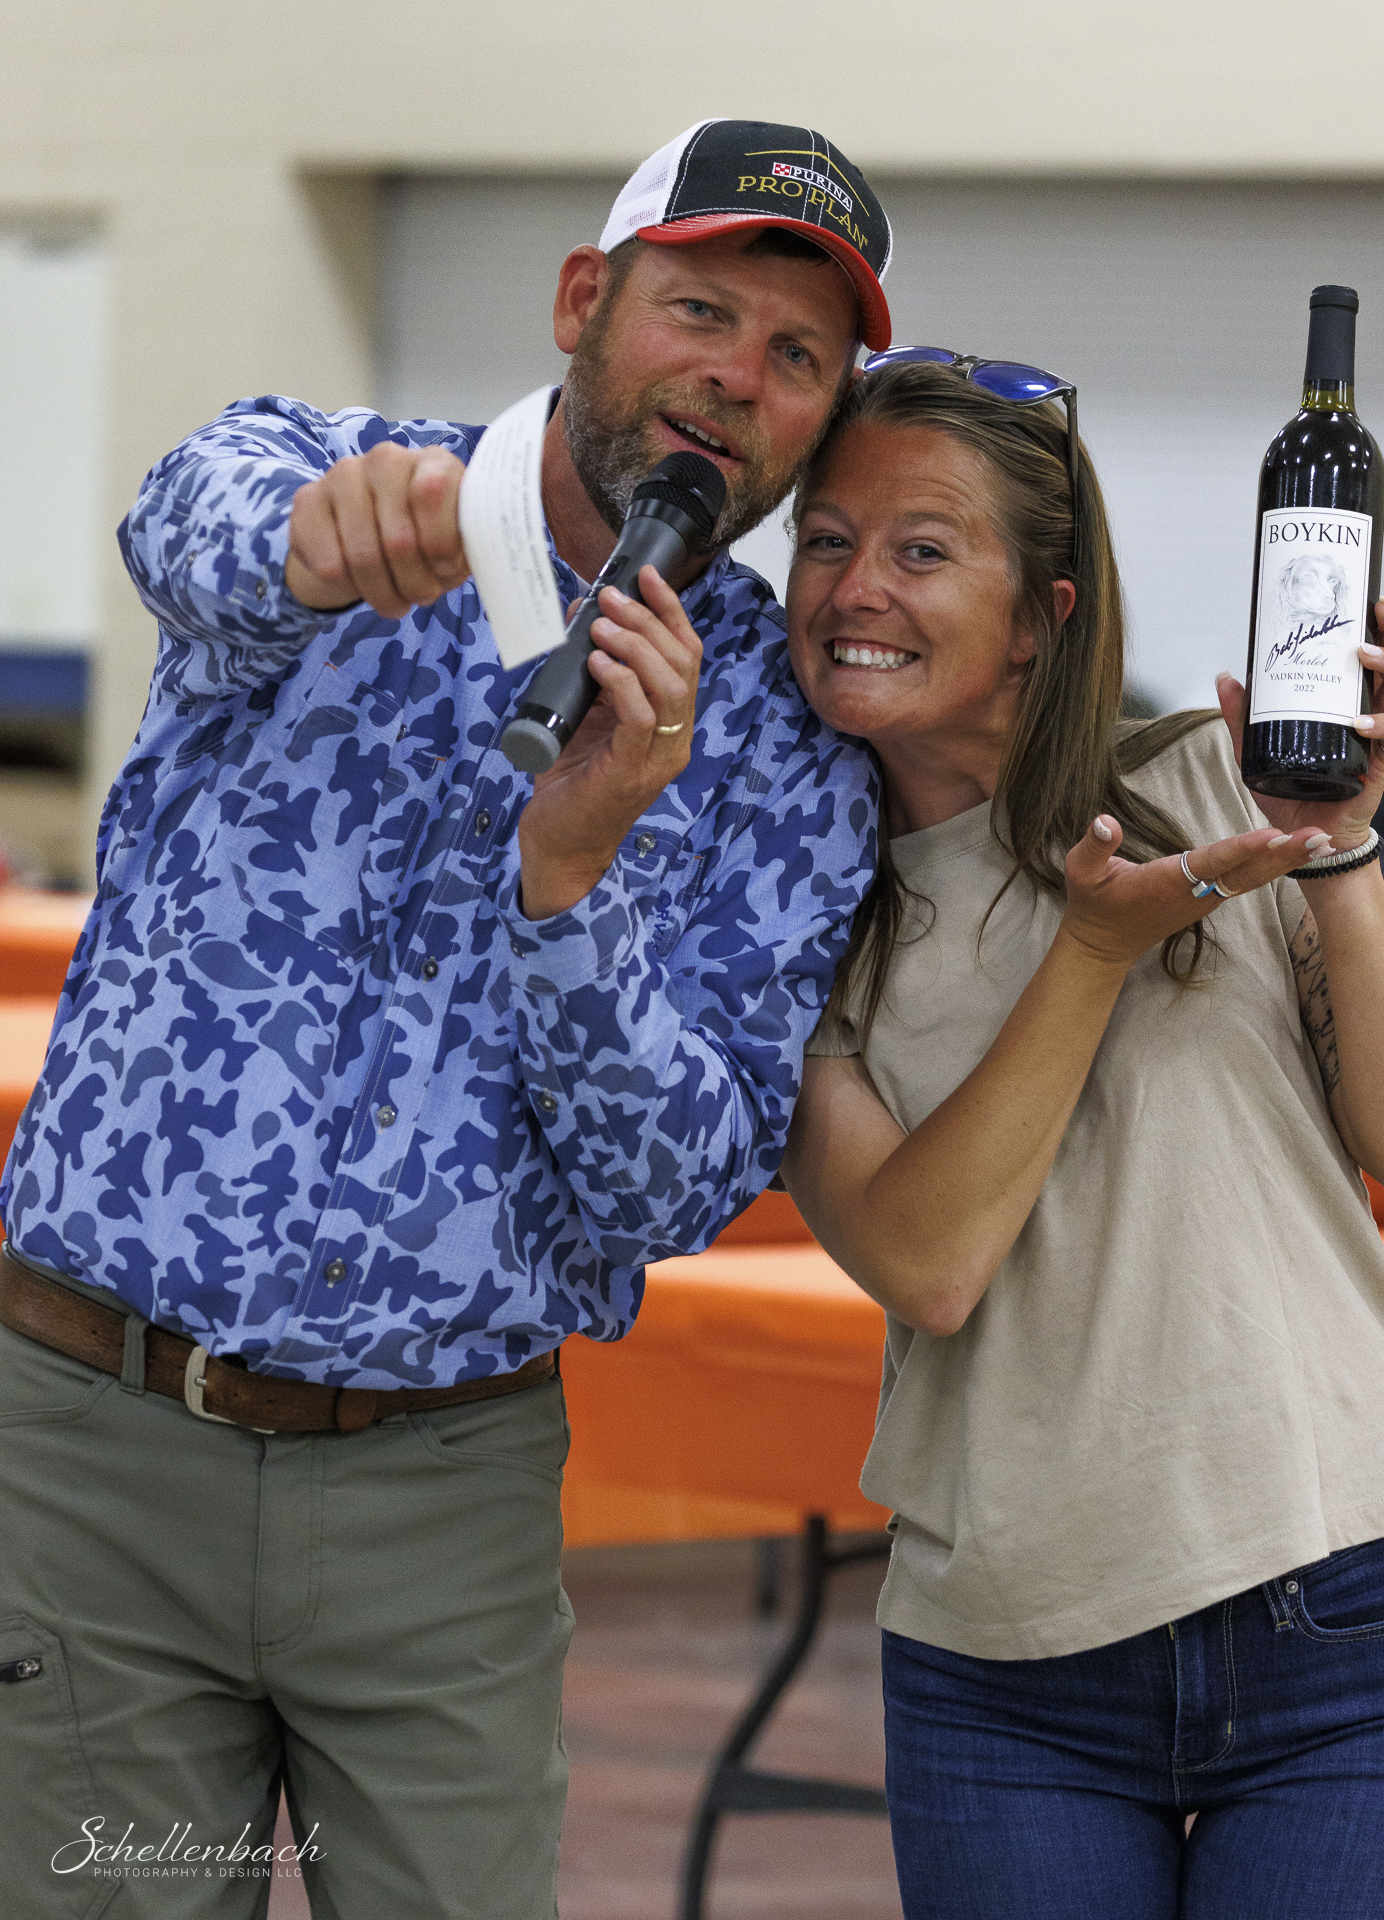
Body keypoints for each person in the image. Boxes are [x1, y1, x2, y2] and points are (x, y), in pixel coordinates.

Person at [0, 120, 891, 1919]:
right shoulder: (334, 482)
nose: (738, 377)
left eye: (799, 355)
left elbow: (673, 1190)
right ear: (583, 302)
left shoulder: (789, 744)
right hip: (91, 1448)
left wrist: (576, 873)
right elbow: (184, 524)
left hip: (442, 1491)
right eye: (701, 311)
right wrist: (313, 545)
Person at [778, 357, 1384, 1919]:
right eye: (826, 541)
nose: (854, 589)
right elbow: (928, 1261)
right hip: (1007, 1665)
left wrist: (1336, 848)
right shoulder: (793, 924)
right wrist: (1094, 951)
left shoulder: (1212, 787)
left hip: (1357, 1613)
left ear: (1042, 614)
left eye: (920, 549)